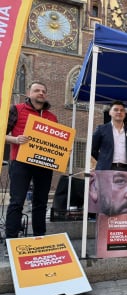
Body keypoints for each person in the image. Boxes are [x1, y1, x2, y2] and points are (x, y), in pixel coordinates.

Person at [5, 81, 58, 239]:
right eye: (36, 90)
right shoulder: (16, 110)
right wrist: (15, 139)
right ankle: (11, 239)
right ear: (29, 93)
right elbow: (2, 134)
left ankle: (39, 237)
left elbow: (56, 141)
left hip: (43, 163)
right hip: (20, 162)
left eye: (43, 91)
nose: (40, 93)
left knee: (41, 203)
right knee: (17, 202)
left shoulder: (52, 117)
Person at [92, 100, 127, 172]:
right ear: (110, 112)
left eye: (122, 110)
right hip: (106, 169)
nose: (119, 112)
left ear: (125, 114)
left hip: (126, 170)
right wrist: (103, 160)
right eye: (116, 110)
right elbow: (93, 149)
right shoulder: (101, 129)